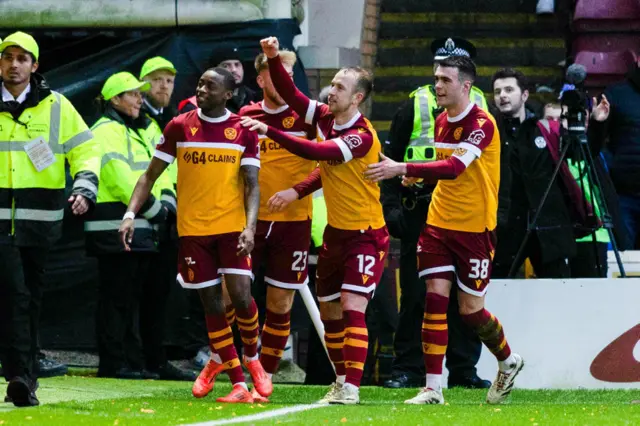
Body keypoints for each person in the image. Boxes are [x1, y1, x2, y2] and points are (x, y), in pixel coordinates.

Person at [365, 56, 523, 405]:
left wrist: (402, 167)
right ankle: (432, 388)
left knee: (470, 311)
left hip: (475, 229)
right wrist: (418, 174)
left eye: (445, 80)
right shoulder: (439, 120)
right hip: (437, 224)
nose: (437, 85)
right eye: (436, 79)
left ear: (465, 86)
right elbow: (441, 169)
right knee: (432, 301)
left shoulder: (483, 123)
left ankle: (508, 361)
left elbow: (454, 167)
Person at [241, 36, 390, 405]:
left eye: (340, 86)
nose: (331, 90)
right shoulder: (325, 116)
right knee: (330, 313)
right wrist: (274, 58)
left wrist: (270, 131)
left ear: (357, 98)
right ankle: (341, 381)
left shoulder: (360, 135)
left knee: (354, 306)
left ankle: (351, 388)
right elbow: (293, 96)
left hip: (366, 234)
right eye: (333, 83)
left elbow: (316, 151)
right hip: (336, 233)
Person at [119, 67, 271, 404]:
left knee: (242, 296)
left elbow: (252, 184)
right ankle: (238, 383)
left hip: (232, 228)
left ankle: (252, 358)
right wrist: (130, 214)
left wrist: (250, 226)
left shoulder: (242, 131)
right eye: (199, 82)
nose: (201, 89)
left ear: (228, 93)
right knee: (212, 304)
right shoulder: (179, 125)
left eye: (210, 85)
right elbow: (148, 176)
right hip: (193, 231)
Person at [380, 36, 489, 390]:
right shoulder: (417, 102)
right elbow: (392, 153)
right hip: (421, 208)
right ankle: (408, 368)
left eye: (449, 71)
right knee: (416, 294)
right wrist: (392, 204)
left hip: (468, 210)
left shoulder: (482, 109)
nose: (440, 79)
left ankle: (463, 369)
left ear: (466, 75)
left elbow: (495, 168)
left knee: (465, 298)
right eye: (439, 71)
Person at [0, 31, 99, 407]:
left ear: (35, 65)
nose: (14, 64)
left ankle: (26, 377)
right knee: (15, 294)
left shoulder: (57, 106)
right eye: (8, 57)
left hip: (40, 222)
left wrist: (85, 186)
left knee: (31, 297)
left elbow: (86, 149)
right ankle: (18, 374)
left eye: (23, 58)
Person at [228, 50, 316, 402]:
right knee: (231, 296)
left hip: (293, 222)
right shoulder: (246, 115)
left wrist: (296, 192)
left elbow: (327, 162)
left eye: (290, 73)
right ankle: (234, 368)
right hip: (248, 221)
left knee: (280, 304)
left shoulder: (308, 117)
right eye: (277, 74)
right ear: (261, 79)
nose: (285, 80)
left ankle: (262, 382)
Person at [84, 72, 174, 380]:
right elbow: (118, 176)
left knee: (129, 297)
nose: (140, 98)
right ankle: (113, 363)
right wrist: (154, 208)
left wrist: (166, 202)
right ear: (115, 99)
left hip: (139, 226)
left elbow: (163, 171)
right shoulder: (104, 130)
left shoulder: (142, 128)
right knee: (116, 298)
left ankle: (130, 361)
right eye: (133, 93)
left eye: (139, 93)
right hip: (113, 227)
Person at [136, 57, 194, 381]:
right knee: (137, 294)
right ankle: (142, 358)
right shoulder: (137, 118)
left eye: (169, 81)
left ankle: (154, 358)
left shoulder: (169, 119)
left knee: (159, 293)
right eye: (157, 79)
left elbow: (171, 169)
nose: (163, 86)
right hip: (144, 217)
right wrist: (158, 207)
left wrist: (169, 206)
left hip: (167, 218)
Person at [178, 47, 258, 114]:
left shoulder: (256, 100)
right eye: (226, 66)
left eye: (237, 65)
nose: (234, 70)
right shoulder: (196, 105)